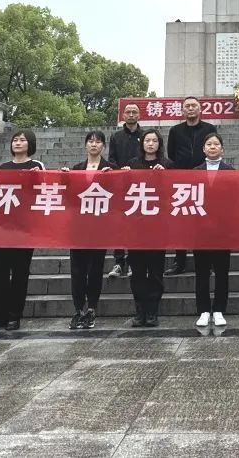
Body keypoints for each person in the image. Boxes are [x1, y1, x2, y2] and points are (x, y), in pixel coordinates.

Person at [0, 130, 45, 332]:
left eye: (22, 140)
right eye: (15, 140)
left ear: (30, 144)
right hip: (2, 227)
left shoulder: (36, 166)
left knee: (19, 273)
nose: (18, 143)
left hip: (24, 228)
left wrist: (39, 178)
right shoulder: (3, 167)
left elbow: (45, 191)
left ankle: (14, 316)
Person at [165, 97, 217, 276]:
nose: (191, 108)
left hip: (204, 179)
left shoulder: (209, 129)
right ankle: (179, 261)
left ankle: (206, 262)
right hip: (182, 181)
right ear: (182, 110)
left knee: (204, 222)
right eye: (187, 106)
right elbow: (172, 155)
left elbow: (213, 149)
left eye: (194, 105)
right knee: (181, 221)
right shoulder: (175, 131)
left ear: (200, 109)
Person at [68, 131, 115, 330]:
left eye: (98, 142)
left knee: (95, 269)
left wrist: (112, 177)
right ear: (86, 145)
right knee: (77, 271)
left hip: (100, 227)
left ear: (103, 146)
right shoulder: (76, 169)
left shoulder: (110, 169)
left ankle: (92, 309)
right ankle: (78, 309)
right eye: (90, 141)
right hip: (78, 227)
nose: (94, 145)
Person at [126, 130, 171, 327]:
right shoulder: (133, 164)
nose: (150, 144)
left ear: (159, 144)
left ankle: (153, 311)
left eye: (154, 140)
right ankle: (139, 311)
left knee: (155, 272)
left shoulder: (168, 165)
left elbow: (174, 193)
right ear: (142, 143)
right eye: (147, 140)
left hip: (158, 228)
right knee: (137, 272)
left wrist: (164, 176)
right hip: (136, 228)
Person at [192, 132, 233, 327]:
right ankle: (203, 310)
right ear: (203, 148)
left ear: (222, 149)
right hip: (200, 230)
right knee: (201, 272)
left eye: (216, 144)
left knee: (222, 272)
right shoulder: (195, 172)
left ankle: (218, 310)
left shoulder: (230, 171)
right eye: (209, 144)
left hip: (222, 230)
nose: (213, 147)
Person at [107, 104, 146, 279]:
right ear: (123, 115)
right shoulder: (116, 136)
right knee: (119, 223)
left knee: (136, 223)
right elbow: (111, 159)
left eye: (134, 112)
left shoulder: (145, 136)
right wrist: (120, 172)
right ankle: (118, 261)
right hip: (120, 184)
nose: (131, 114)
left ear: (139, 115)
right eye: (128, 112)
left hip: (140, 186)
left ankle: (132, 261)